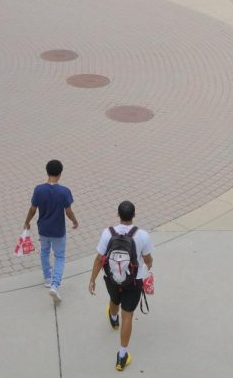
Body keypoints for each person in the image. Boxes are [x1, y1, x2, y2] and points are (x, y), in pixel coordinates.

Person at [88, 200, 154, 372]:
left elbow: (98, 258)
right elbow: (148, 259)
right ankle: (122, 355)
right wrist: (149, 267)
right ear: (134, 215)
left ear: (118, 215)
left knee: (114, 299)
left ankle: (113, 318)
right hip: (133, 281)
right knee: (129, 315)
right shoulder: (142, 235)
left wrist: (92, 279)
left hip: (112, 279)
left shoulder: (107, 233)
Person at [23, 159, 78, 303]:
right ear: (60, 174)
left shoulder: (38, 189)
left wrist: (27, 221)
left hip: (43, 229)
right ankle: (55, 284)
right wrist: (74, 221)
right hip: (58, 231)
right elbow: (68, 211)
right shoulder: (64, 191)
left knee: (44, 252)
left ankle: (47, 277)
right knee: (59, 257)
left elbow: (33, 209)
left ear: (47, 172)